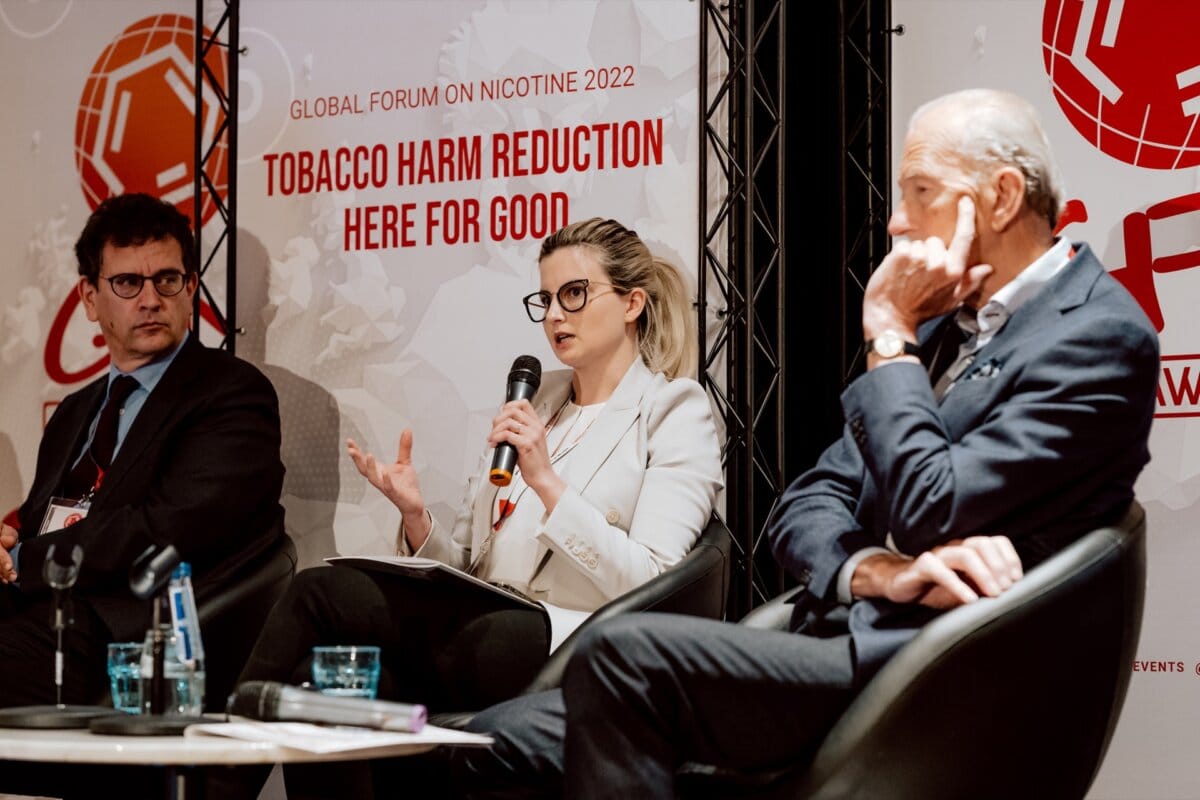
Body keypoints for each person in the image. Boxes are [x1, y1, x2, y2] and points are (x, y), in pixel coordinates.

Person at [453, 88, 1161, 798]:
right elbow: (804, 506)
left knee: (621, 652)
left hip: (933, 675)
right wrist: (874, 570)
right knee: (490, 737)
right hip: (836, 632)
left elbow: (930, 508)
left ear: (1001, 197)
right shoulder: (950, 328)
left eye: (921, 192)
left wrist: (887, 333)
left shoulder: (1094, 336)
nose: (897, 220)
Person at [232, 217, 722, 795]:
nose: (554, 316)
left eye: (574, 294)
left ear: (633, 302)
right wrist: (416, 517)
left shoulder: (672, 409)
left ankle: (213, 785)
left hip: (570, 645)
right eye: (545, 299)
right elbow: (468, 568)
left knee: (320, 592)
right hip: (488, 632)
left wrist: (547, 484)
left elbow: (654, 580)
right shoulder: (539, 400)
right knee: (328, 685)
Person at [0, 193, 285, 707]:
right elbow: (48, 519)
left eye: (167, 280)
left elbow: (162, 529)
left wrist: (22, 559)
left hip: (125, 634)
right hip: (40, 611)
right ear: (90, 298)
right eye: (128, 282)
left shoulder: (232, 395)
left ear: (192, 288)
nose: (150, 299)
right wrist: (8, 545)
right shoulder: (71, 412)